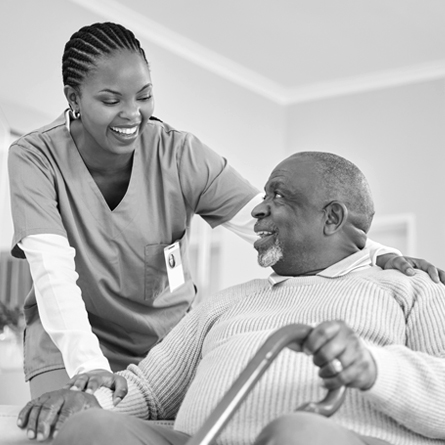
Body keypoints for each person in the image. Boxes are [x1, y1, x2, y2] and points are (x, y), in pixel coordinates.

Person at [8, 21, 442, 399]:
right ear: (74, 97)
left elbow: (272, 215)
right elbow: (53, 273)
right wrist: (89, 368)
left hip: (166, 346)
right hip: (70, 343)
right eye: (110, 100)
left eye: (144, 96)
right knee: (72, 427)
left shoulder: (177, 154)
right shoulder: (34, 157)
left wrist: (373, 251)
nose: (132, 114)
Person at [18, 152, 445, 445]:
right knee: (91, 428)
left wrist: (375, 368)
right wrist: (92, 400)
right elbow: (148, 391)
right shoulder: (226, 302)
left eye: (278, 196)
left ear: (331, 218)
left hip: (328, 437)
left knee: (301, 434)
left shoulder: (409, 286)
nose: (258, 209)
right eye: (264, 195)